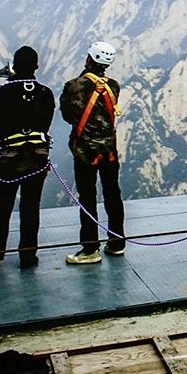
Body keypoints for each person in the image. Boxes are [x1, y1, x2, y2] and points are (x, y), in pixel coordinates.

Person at [0, 46, 54, 269]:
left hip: (10, 159)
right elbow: (46, 123)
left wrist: (4, 136)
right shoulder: (46, 93)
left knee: (2, 209)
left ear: (14, 66)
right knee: (31, 207)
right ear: (36, 66)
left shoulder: (2, 93)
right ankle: (28, 256)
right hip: (38, 158)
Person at [61, 41, 124, 264]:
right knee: (113, 194)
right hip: (109, 151)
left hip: (85, 152)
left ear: (89, 58)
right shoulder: (114, 86)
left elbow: (67, 116)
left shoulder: (74, 86)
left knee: (87, 198)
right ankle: (117, 243)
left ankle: (90, 249)